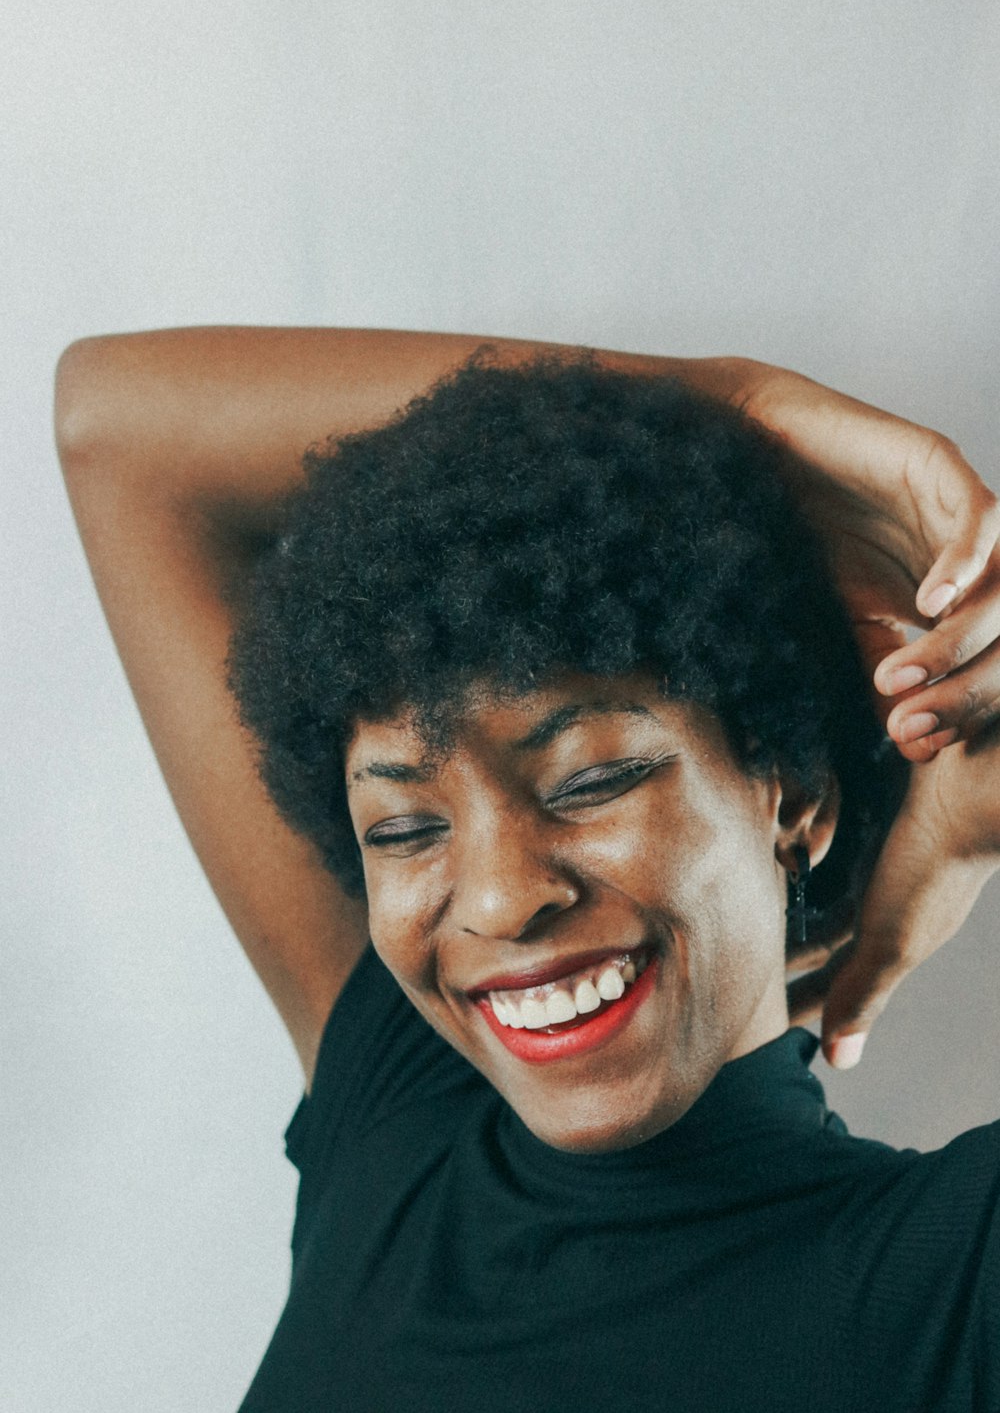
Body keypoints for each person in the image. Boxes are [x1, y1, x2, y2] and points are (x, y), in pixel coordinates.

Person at [55, 331, 1000, 1410]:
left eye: (591, 780)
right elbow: (116, 427)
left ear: (789, 790)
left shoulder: (949, 1280)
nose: (502, 898)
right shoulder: (395, 1110)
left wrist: (950, 838)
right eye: (405, 829)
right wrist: (737, 415)